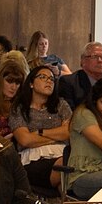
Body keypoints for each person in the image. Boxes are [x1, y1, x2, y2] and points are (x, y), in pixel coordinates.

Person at [9, 61, 72, 193]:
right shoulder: (19, 108)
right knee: (65, 166)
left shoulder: (61, 105)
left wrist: (39, 132)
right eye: (43, 77)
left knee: (67, 167)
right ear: (31, 83)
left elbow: (69, 132)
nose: (48, 81)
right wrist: (56, 137)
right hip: (32, 160)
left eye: (51, 79)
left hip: (62, 154)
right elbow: (25, 140)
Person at [0, 56, 27, 140]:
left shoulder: (20, 105)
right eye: (10, 81)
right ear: (0, 80)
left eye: (17, 83)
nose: (14, 87)